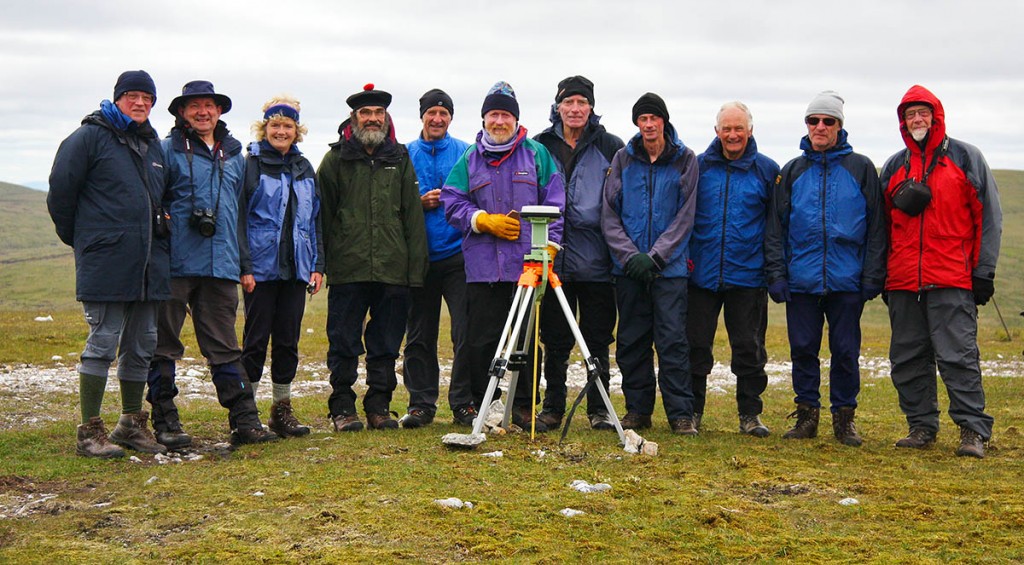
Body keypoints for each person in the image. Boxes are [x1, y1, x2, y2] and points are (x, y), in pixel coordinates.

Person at [149, 80, 279, 447]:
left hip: (221, 264)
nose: (203, 112)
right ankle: (165, 421)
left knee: (225, 346)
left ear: (219, 111)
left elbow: (238, 216)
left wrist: (244, 264)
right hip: (174, 264)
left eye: (209, 105)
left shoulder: (235, 158)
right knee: (163, 345)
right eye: (195, 106)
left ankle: (245, 420)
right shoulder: (165, 151)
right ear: (181, 112)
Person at [47, 70, 169, 458]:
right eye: (132, 96)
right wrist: (87, 242)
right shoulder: (88, 138)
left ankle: (130, 424)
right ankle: (89, 431)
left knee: (143, 344)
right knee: (102, 342)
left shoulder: (152, 145)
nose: (140, 103)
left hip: (149, 264)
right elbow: (60, 196)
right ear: (117, 98)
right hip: (106, 261)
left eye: (147, 98)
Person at [879, 85, 1002, 458]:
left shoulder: (965, 158)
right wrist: (885, 275)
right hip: (903, 281)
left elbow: (989, 218)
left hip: (951, 278)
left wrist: (984, 272)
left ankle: (973, 431)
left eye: (923, 113)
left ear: (936, 116)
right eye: (910, 114)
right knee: (907, 357)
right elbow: (882, 226)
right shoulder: (894, 166)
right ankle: (920, 426)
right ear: (903, 121)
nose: (917, 120)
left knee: (957, 356)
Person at [441, 81, 565, 432]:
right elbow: (452, 201)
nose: (499, 121)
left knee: (525, 340)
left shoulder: (537, 154)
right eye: (493, 114)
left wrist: (549, 249)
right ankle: (486, 407)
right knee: (482, 340)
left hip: (527, 266)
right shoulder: (470, 158)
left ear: (515, 120)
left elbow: (556, 203)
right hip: (483, 268)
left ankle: (523, 408)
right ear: (484, 118)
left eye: (505, 115)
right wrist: (481, 220)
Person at [764, 90, 886, 447]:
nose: (819, 127)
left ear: (839, 126)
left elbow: (877, 226)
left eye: (827, 121)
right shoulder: (792, 171)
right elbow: (775, 228)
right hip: (801, 279)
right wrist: (776, 273)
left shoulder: (861, 168)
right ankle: (806, 417)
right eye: (813, 120)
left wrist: (872, 275)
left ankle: (844, 419)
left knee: (846, 352)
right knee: (803, 348)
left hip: (847, 280)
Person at [317, 84, 428, 432]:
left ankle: (379, 406)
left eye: (379, 113)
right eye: (366, 113)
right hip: (348, 268)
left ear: (386, 118)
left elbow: (412, 215)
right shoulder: (335, 160)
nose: (373, 118)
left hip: (393, 270)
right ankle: (342, 408)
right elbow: (323, 216)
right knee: (344, 342)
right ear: (354, 118)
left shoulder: (401, 158)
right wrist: (321, 264)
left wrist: (415, 269)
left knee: (385, 345)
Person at [601, 92, 699, 435]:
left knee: (672, 341)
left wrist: (656, 256)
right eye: (642, 119)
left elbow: (686, 216)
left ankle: (681, 414)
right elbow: (609, 213)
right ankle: (637, 410)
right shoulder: (622, 159)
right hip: (628, 271)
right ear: (637, 124)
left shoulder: (685, 159)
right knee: (631, 341)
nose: (649, 124)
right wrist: (630, 257)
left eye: (654, 118)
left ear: (664, 121)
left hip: (668, 271)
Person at [533, 76, 623, 431]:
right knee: (554, 339)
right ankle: (552, 406)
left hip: (598, 260)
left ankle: (599, 408)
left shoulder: (611, 145)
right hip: (553, 258)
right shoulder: (540, 145)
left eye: (581, 103)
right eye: (568, 102)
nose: (574, 109)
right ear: (558, 106)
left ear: (591, 107)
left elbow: (619, 199)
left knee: (597, 338)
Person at [687, 101, 780, 437]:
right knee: (696, 346)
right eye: (726, 128)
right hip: (702, 274)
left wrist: (773, 270)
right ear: (716, 131)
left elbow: (775, 225)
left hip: (748, 276)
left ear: (750, 130)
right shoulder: (697, 168)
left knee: (749, 347)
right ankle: (692, 411)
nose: (732, 134)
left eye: (738, 128)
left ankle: (750, 414)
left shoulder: (768, 171)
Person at [239, 96, 323, 438]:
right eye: (275, 125)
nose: (281, 131)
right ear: (264, 128)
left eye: (287, 125)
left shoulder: (305, 167)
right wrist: (244, 265)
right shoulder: (251, 165)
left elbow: (315, 220)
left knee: (288, 341)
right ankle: (246, 414)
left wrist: (317, 264)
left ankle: (281, 411)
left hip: (296, 269)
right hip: (259, 268)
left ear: (296, 130)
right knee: (255, 341)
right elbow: (239, 218)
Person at [400, 89, 474, 428]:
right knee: (419, 334)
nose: (437, 119)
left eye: (443, 113)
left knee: (466, 331)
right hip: (419, 257)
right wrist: (419, 201)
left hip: (459, 255)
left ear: (451, 118)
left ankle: (464, 403)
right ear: (422, 116)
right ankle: (421, 404)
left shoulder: (465, 152)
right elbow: (394, 202)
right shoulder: (405, 154)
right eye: (432, 112)